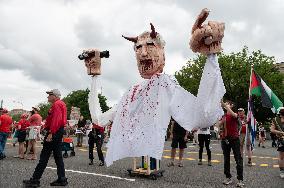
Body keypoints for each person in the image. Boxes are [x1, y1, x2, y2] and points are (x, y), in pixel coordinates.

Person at [23, 89, 68, 187]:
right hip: (58, 131)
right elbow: (58, 120)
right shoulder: (61, 104)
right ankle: (62, 179)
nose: (48, 97)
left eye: (49, 95)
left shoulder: (56, 104)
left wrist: (51, 133)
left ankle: (35, 180)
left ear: (54, 96)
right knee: (58, 157)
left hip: (54, 132)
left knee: (44, 156)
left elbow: (56, 120)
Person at [218, 100, 244, 187]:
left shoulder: (234, 114)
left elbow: (234, 115)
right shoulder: (224, 116)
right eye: (225, 103)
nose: (226, 105)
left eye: (228, 103)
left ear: (232, 105)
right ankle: (228, 177)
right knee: (226, 159)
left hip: (234, 139)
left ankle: (240, 179)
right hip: (225, 140)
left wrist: (226, 106)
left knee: (238, 159)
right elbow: (218, 124)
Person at [270, 107, 284, 179]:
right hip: (281, 140)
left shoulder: (275, 119)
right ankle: (282, 171)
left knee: (281, 157)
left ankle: (282, 171)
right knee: (281, 156)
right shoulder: (276, 120)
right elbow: (272, 130)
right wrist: (280, 132)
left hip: (280, 139)